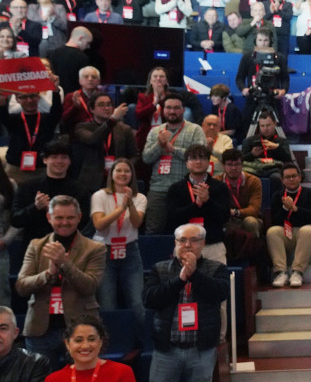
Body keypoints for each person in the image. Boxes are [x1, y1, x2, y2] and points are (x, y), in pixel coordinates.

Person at [145, 222, 227, 382]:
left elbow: (219, 293)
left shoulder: (216, 268)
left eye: (193, 241)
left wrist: (194, 274)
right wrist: (181, 278)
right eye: (182, 240)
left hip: (200, 350)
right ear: (175, 243)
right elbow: (150, 299)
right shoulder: (159, 268)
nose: (187, 245)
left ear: (203, 245)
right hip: (166, 350)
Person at [16, 195, 106, 368]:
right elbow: (21, 286)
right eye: (59, 217)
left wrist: (64, 264)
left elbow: (90, 286)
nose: (65, 222)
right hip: (40, 329)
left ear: (79, 218)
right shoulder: (36, 245)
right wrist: (48, 274)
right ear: (49, 218)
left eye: (70, 217)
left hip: (81, 330)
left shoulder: (95, 248)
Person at [91, 158, 146, 323]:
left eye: (127, 171)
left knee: (137, 302)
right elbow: (99, 224)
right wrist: (120, 209)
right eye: (119, 170)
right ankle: (112, 344)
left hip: (130, 251)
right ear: (111, 174)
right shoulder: (100, 195)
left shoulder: (140, 197)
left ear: (132, 175)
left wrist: (130, 205)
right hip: (103, 252)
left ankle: (142, 344)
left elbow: (137, 223)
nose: (123, 174)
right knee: (108, 304)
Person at [141, 93, 206, 234]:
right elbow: (146, 158)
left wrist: (173, 149)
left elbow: (200, 158)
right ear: (163, 109)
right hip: (159, 188)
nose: (172, 111)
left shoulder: (195, 130)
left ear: (183, 110)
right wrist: (159, 145)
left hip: (186, 188)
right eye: (168, 107)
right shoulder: (155, 131)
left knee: (187, 232)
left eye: (176, 108)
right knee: (153, 230)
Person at [12, 140, 91, 243]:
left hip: (69, 245)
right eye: (54, 157)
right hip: (34, 245)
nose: (59, 161)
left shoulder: (80, 190)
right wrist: (35, 207)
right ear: (45, 160)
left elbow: (84, 221)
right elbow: (15, 220)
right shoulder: (28, 187)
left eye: (64, 157)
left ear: (70, 161)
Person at [166, 144, 232, 263]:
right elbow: (172, 218)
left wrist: (207, 201)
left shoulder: (220, 187)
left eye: (202, 158)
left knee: (217, 280)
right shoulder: (176, 188)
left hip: (213, 244)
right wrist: (195, 205)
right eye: (193, 158)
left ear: (208, 162)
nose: (198, 162)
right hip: (185, 245)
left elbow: (225, 216)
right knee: (182, 280)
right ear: (186, 163)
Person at [265, 163, 311, 287]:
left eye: (294, 176)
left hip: (308, 235)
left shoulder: (310, 192)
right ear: (282, 180)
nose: (291, 179)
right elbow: (275, 220)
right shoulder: (277, 195)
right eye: (287, 177)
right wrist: (286, 209)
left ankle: (297, 272)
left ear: (300, 177)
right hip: (287, 234)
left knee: (307, 230)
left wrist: (295, 208)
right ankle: (281, 272)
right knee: (272, 231)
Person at [70, 92, 136, 194]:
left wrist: (124, 170)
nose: (106, 108)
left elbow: (134, 155)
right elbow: (93, 139)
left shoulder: (124, 129)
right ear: (91, 109)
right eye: (101, 105)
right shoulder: (82, 127)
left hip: (118, 180)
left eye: (109, 105)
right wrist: (112, 120)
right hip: (91, 182)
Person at [2, 86, 63, 183]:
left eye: (33, 96)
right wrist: (2, 98)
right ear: (17, 100)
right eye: (23, 97)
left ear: (39, 97)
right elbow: (2, 113)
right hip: (15, 169)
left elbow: (57, 110)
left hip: (41, 169)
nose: (29, 100)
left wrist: (55, 91)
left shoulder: (47, 119)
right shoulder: (13, 120)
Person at [242, 111, 294, 180]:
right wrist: (252, 154)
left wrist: (276, 148)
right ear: (259, 126)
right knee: (244, 176)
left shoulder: (282, 141)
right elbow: (241, 160)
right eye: (262, 126)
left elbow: (288, 159)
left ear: (275, 124)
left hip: (274, 169)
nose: (265, 129)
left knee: (276, 177)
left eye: (268, 125)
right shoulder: (250, 140)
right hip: (254, 168)